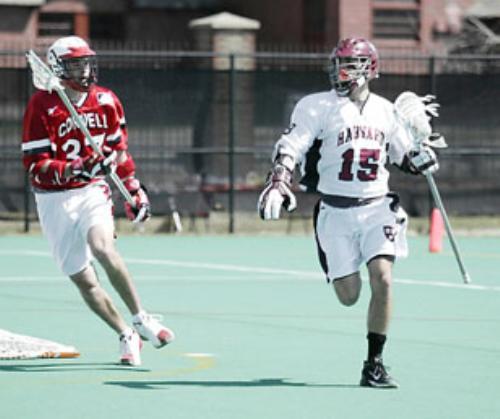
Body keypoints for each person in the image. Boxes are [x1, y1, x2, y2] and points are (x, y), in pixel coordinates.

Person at [257, 38, 440, 388]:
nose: (340, 72)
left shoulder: (386, 111)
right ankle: (345, 283)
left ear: (369, 68)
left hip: (377, 207)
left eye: (350, 64)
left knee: (383, 277)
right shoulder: (316, 106)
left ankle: (374, 363)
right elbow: (292, 145)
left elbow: (404, 156)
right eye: (338, 64)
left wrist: (422, 157)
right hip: (335, 211)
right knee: (349, 296)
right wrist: (280, 179)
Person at [21, 36, 175, 366]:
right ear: (60, 68)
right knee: (84, 280)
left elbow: (119, 153)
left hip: (92, 190)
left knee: (103, 246)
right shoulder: (42, 105)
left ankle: (140, 317)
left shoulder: (107, 101)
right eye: (77, 64)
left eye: (88, 62)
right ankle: (125, 333)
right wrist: (77, 166)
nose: (86, 70)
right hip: (54, 199)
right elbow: (36, 166)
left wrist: (134, 191)